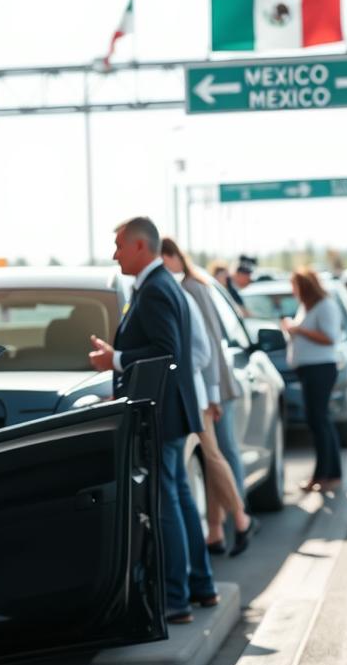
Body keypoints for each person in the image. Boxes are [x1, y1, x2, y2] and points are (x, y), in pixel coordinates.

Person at [87, 217, 217, 625]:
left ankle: (177, 599)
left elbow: (166, 350)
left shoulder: (157, 289)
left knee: (166, 505)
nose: (114, 254)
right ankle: (201, 586)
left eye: (119, 246)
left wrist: (117, 360)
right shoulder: (160, 285)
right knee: (177, 496)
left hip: (163, 411)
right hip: (172, 411)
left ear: (140, 246)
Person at [161, 238, 254, 557]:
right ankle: (217, 528)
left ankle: (238, 519)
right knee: (214, 456)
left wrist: (213, 394)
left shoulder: (194, 287)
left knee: (218, 454)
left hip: (211, 387)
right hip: (206, 386)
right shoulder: (188, 284)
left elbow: (208, 346)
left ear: (173, 256)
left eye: (163, 259)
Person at [282, 268, 344, 494]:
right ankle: (329, 474)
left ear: (305, 287)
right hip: (308, 370)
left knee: (319, 422)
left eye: (295, 286)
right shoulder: (305, 306)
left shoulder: (325, 306)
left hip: (320, 369)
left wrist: (299, 330)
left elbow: (330, 338)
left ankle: (325, 475)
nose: (293, 291)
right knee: (320, 422)